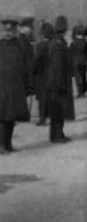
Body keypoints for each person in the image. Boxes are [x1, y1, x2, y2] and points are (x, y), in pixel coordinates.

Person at [0, 17, 30, 153]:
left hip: (15, 87)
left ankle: (8, 143)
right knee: (2, 116)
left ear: (14, 31)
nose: (7, 32)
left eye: (10, 30)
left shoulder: (20, 46)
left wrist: (28, 85)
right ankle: (1, 146)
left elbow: (26, 65)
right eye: (5, 30)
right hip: (1, 87)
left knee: (12, 117)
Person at [47, 15, 71, 143]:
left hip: (55, 82)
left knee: (58, 110)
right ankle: (56, 135)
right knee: (57, 111)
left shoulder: (56, 41)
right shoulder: (58, 44)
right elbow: (58, 66)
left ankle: (58, 134)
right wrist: (60, 83)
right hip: (58, 82)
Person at [32, 22, 54, 126]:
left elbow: (36, 61)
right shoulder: (54, 44)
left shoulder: (39, 46)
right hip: (52, 74)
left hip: (41, 75)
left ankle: (42, 118)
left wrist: (33, 71)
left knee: (42, 98)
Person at [69, 24, 87, 98]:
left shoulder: (73, 44)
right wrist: (86, 59)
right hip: (83, 62)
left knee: (77, 78)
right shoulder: (86, 43)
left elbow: (70, 54)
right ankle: (83, 91)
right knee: (83, 76)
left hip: (75, 63)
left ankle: (80, 92)